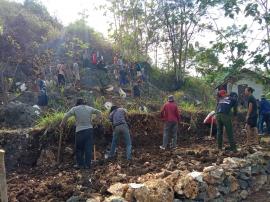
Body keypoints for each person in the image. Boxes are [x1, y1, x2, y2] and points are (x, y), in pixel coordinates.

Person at [60, 98, 101, 169]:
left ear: (77, 103)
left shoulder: (75, 109)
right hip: (89, 130)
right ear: (83, 103)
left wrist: (62, 124)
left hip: (79, 131)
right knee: (88, 148)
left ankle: (80, 164)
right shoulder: (89, 108)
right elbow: (99, 112)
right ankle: (88, 165)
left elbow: (66, 116)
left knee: (79, 148)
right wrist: (95, 120)